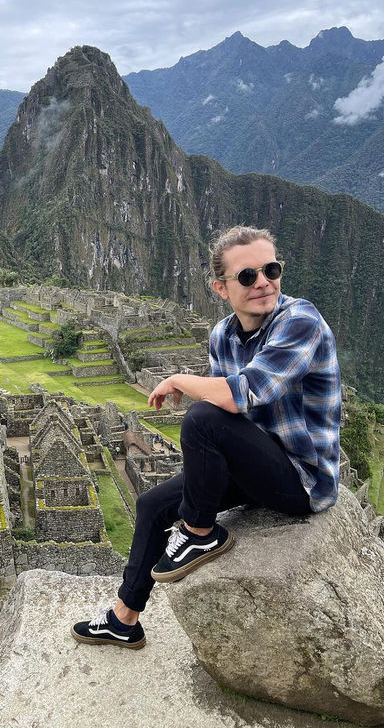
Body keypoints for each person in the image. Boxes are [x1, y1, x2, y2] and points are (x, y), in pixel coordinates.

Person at [72, 225, 341, 649]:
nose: (264, 282)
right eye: (248, 276)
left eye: (271, 269)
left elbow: (240, 396)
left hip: (302, 480)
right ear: (221, 287)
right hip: (257, 464)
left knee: (200, 416)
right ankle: (125, 618)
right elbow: (228, 419)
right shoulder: (222, 336)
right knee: (152, 505)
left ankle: (201, 535)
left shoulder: (300, 321)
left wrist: (179, 378)